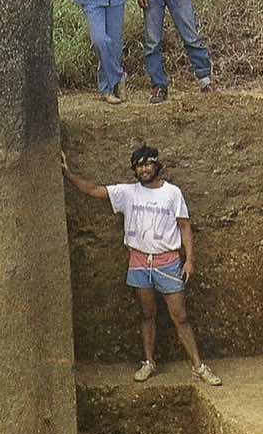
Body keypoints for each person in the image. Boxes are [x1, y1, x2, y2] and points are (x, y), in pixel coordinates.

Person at [62, 142, 221, 386]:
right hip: (139, 261)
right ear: (134, 170)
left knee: (180, 317)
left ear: (157, 165)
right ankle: (149, 362)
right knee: (147, 314)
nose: (144, 169)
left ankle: (199, 366)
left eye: (147, 164)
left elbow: (185, 226)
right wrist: (69, 174)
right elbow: (94, 190)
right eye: (139, 166)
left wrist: (189, 260)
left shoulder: (172, 193)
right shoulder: (128, 193)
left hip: (167, 261)